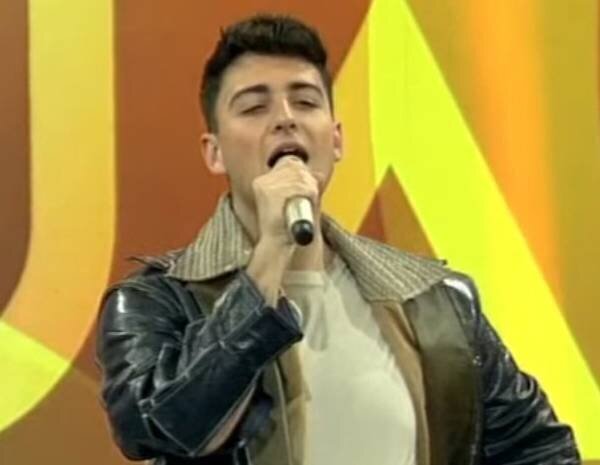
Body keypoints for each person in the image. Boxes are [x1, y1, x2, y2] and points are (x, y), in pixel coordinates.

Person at [96, 13, 580, 465]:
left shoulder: (435, 302)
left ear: (336, 139)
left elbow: (540, 449)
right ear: (214, 152)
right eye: (255, 107)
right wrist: (270, 254)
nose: (285, 118)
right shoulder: (155, 302)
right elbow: (161, 427)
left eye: (306, 102)